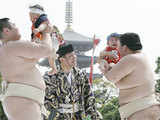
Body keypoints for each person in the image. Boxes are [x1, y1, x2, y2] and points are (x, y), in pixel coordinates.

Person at [0, 18, 52, 120]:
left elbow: (34, 57)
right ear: (6, 31)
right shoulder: (13, 45)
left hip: (22, 100)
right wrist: (46, 34)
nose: (17, 27)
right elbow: (46, 50)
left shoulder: (6, 49)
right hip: (23, 100)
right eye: (14, 25)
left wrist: (35, 42)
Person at [99, 33, 160, 120]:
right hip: (142, 109)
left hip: (142, 111)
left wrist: (104, 67)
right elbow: (121, 81)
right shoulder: (142, 57)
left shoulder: (131, 58)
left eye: (118, 46)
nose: (117, 49)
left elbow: (111, 77)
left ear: (124, 47)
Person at [43, 44, 102, 120]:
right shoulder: (51, 77)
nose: (74, 57)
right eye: (71, 56)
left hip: (78, 116)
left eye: (74, 55)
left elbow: (88, 96)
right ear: (62, 59)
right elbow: (47, 101)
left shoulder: (81, 75)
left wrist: (92, 115)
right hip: (59, 117)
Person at [29, 4, 57, 75]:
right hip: (43, 41)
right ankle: (54, 68)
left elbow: (43, 25)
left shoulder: (43, 19)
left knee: (47, 55)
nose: (30, 18)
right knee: (49, 58)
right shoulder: (34, 24)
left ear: (37, 14)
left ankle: (53, 68)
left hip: (48, 41)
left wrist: (38, 29)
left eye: (31, 15)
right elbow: (34, 36)